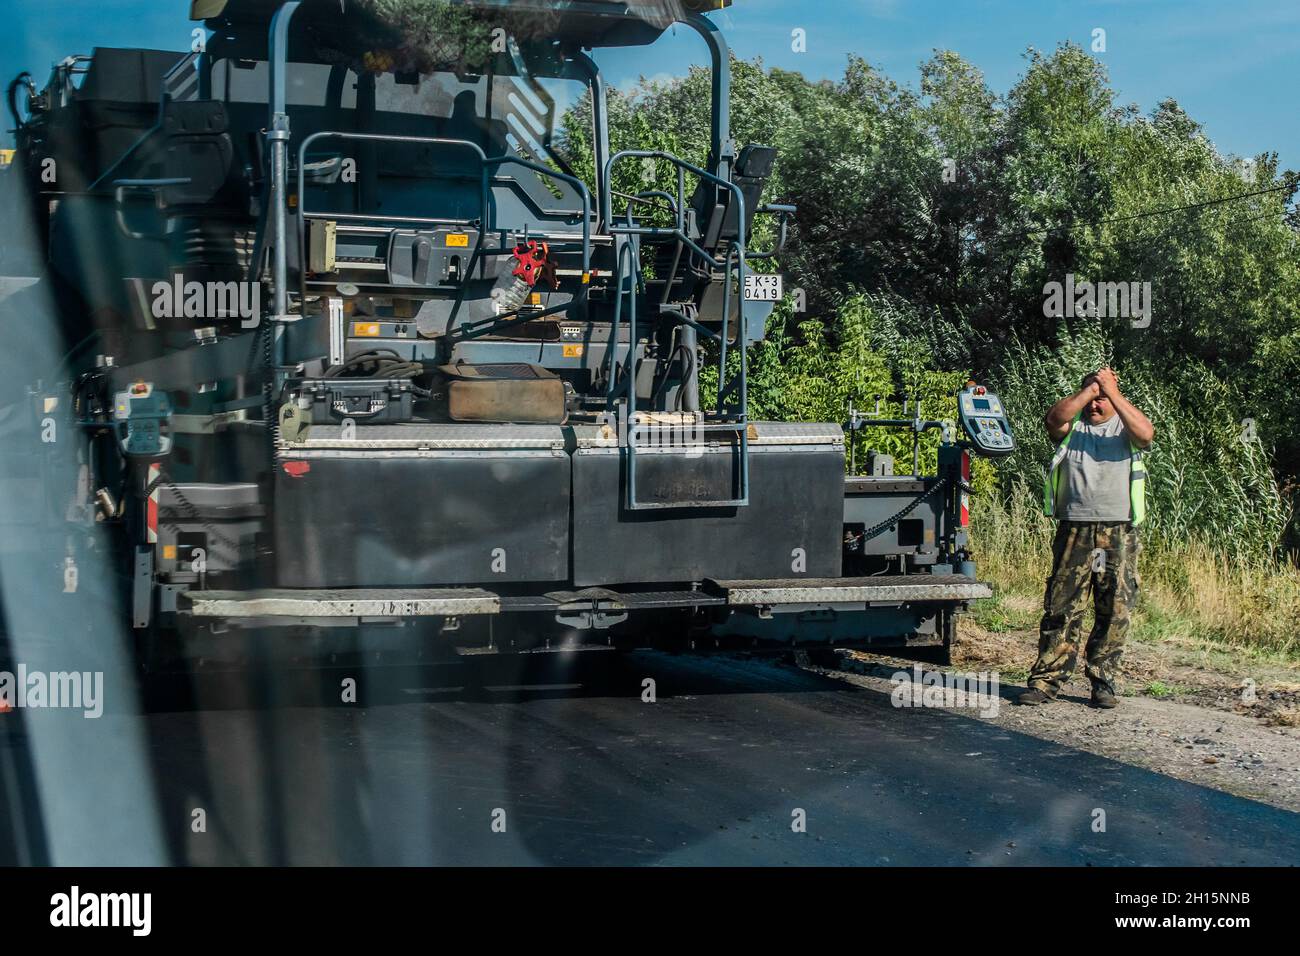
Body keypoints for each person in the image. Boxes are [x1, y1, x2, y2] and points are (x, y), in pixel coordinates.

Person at [1016, 367, 1154, 708]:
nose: (1096, 404)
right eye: (1091, 397)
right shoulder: (1072, 427)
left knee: (1114, 608)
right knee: (1062, 607)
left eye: (1102, 398)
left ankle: (1103, 682)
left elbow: (1147, 434)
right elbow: (1053, 419)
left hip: (1117, 530)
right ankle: (1047, 681)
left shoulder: (1125, 427)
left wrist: (1112, 391)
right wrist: (1091, 389)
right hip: (1075, 529)